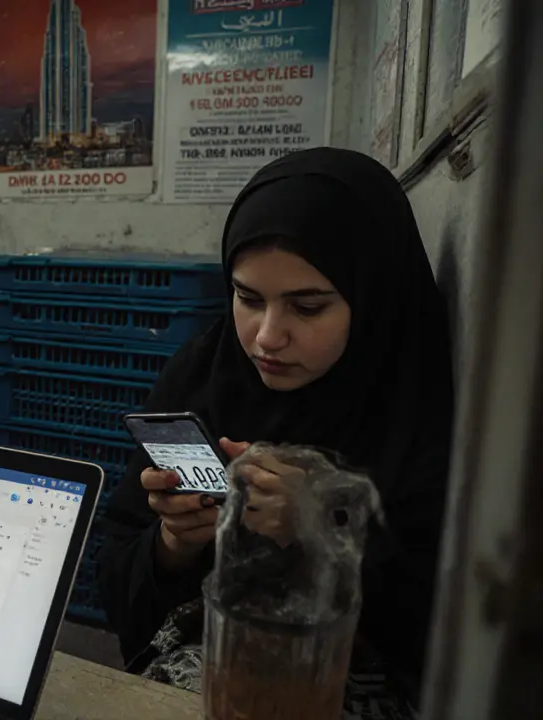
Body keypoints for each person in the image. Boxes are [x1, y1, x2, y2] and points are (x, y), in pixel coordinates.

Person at [98, 148, 454, 713]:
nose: (267, 337)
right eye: (247, 298)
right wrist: (173, 545)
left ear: (373, 297)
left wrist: (322, 527)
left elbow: (451, 624)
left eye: (307, 308)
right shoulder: (202, 375)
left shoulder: (424, 405)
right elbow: (116, 577)